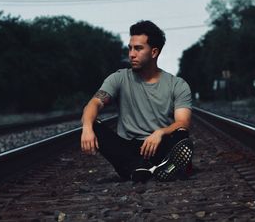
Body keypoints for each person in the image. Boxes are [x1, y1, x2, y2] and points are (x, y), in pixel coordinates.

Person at [80, 20, 193, 182]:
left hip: (158, 144)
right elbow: (94, 103)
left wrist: (160, 132)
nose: (131, 54)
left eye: (138, 48)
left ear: (154, 53)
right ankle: (149, 167)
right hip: (128, 149)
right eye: (130, 48)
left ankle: (143, 168)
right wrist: (87, 128)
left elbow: (183, 122)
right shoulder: (119, 78)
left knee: (181, 133)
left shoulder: (177, 84)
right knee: (92, 122)